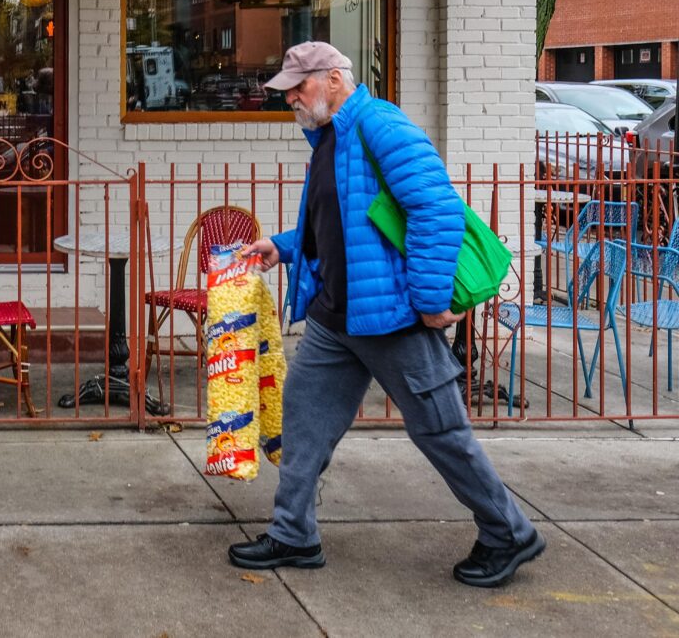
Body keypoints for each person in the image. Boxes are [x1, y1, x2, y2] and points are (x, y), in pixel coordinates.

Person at [228, 41, 544, 589]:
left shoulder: (380, 125)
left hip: (392, 318)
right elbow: (342, 222)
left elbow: (436, 208)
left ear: (332, 79)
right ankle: (293, 534)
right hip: (336, 316)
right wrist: (283, 245)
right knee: (302, 422)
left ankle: (507, 531)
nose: (292, 101)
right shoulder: (328, 136)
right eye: (289, 93)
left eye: (299, 88)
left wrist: (428, 301)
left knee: (440, 431)